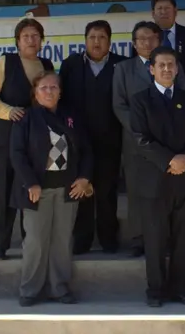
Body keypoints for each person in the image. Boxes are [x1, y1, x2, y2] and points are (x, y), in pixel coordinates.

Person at [128, 46, 185, 307]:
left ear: (177, 68)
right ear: (151, 69)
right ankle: (156, 291)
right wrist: (169, 160)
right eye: (161, 65)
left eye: (171, 64)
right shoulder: (140, 100)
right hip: (154, 180)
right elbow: (140, 138)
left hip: (184, 179)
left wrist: (184, 159)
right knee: (156, 240)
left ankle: (183, 289)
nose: (166, 69)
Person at [10, 71, 93, 306]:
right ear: (35, 93)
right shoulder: (26, 118)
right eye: (43, 88)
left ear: (60, 92)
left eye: (53, 87)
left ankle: (60, 288)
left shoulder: (72, 117)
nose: (49, 91)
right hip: (37, 191)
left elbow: (86, 150)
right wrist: (31, 182)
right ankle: (29, 290)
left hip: (68, 190)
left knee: (62, 241)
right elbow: (17, 154)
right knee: (36, 241)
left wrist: (84, 178)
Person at [0, 18, 55, 260]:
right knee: (3, 190)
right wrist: (7, 111)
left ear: (42, 41)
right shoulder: (6, 62)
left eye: (35, 36)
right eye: (26, 36)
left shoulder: (46, 65)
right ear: (18, 41)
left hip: (33, 140)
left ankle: (29, 243)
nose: (31, 40)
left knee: (30, 188)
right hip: (4, 136)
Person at [113, 21, 185, 257]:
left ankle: (166, 239)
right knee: (138, 192)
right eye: (141, 39)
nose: (147, 43)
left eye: (151, 38)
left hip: (169, 144)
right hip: (136, 143)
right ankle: (138, 238)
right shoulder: (123, 69)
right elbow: (119, 105)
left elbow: (182, 98)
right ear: (134, 44)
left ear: (159, 40)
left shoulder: (173, 66)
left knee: (167, 192)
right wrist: (142, 130)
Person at [60, 20, 128, 254]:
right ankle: (82, 239)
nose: (96, 42)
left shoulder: (121, 65)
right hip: (78, 141)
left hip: (111, 140)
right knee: (81, 189)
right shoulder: (71, 65)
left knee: (107, 191)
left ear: (110, 41)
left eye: (102, 37)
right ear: (85, 40)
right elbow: (62, 100)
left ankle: (109, 238)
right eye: (92, 37)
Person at [151, 0, 185, 95]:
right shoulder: (145, 39)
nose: (163, 12)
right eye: (159, 8)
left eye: (167, 8)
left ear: (175, 11)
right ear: (153, 13)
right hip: (152, 97)